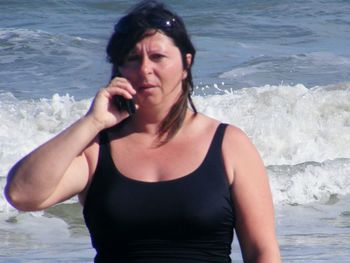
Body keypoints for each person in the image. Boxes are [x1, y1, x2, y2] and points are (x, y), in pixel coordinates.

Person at [4, 1, 281, 262]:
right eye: (132, 58)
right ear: (119, 69)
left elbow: (262, 250)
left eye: (158, 56)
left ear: (186, 63)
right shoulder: (97, 149)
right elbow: (22, 195)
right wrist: (92, 122)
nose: (145, 69)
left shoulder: (228, 145)